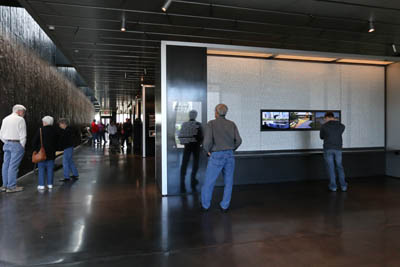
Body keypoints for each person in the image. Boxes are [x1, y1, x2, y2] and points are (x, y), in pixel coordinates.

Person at [201, 104, 242, 212]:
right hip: (229, 155)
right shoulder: (232, 124)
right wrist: (232, 149)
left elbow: (207, 142)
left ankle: (206, 205)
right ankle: (225, 206)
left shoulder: (211, 124)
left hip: (216, 155)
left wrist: (208, 151)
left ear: (216, 112)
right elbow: (239, 140)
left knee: (209, 182)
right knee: (228, 182)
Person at [0, 104, 27, 193]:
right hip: (16, 144)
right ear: (19, 111)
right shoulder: (20, 119)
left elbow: (1, 134)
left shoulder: (5, 119)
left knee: (6, 165)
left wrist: (7, 142)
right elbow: (23, 135)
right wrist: (22, 145)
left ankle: (4, 185)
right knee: (13, 166)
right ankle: (11, 186)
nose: (24, 114)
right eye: (23, 112)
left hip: (6, 143)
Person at [320, 112, 347, 192]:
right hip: (338, 149)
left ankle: (333, 187)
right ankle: (343, 186)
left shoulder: (324, 126)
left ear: (327, 117)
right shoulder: (341, 126)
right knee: (339, 166)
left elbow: (321, 137)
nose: (324, 120)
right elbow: (342, 129)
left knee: (331, 168)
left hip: (328, 149)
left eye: (325, 118)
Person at [178, 110, 203, 193]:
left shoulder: (185, 124)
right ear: (196, 115)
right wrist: (199, 143)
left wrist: (185, 142)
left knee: (185, 162)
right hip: (196, 147)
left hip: (187, 146)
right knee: (195, 163)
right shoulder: (198, 125)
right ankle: (193, 179)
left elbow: (181, 135)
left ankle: (182, 180)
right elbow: (201, 136)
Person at [32, 116, 58, 190]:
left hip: (42, 153)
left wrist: (36, 149)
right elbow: (58, 142)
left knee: (41, 169)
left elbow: (34, 141)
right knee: (50, 169)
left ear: (45, 122)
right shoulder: (55, 130)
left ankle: (41, 185)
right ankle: (50, 184)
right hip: (51, 153)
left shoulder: (40, 130)